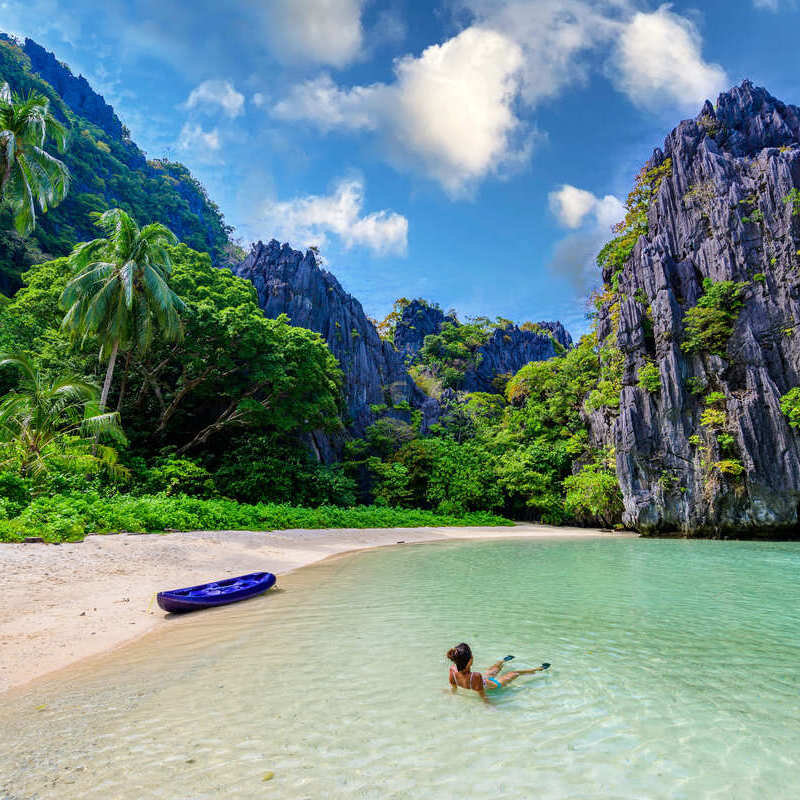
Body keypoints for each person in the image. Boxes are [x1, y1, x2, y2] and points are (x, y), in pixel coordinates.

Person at [447, 642, 548, 700]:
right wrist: (490, 706)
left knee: (493, 670)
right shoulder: (476, 676)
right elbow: (483, 696)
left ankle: (503, 661)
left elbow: (454, 687)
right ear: (470, 660)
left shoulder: (452, 670)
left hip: (483, 681)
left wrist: (452, 694)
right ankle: (538, 669)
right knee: (515, 673)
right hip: (494, 684)